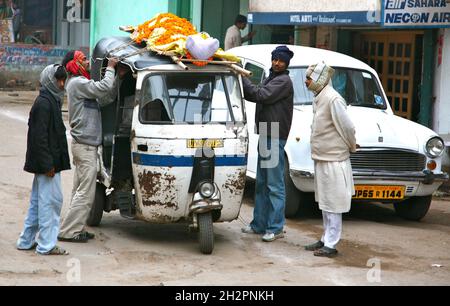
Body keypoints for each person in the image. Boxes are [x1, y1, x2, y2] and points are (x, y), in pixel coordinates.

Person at [57, 51, 119, 243]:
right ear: (75, 64)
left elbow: (105, 97)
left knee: (79, 190)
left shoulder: (82, 85)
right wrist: (110, 68)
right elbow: (103, 87)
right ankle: (69, 231)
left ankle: (73, 227)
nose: (86, 61)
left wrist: (117, 78)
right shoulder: (78, 83)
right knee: (86, 192)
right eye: (82, 59)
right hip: (84, 147)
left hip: (85, 146)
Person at [303, 62, 357, 258]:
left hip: (334, 159)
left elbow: (348, 127)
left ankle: (332, 244)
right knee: (325, 202)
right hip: (322, 158)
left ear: (319, 79)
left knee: (334, 203)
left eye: (309, 78)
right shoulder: (320, 96)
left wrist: (352, 145)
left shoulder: (333, 99)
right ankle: (326, 238)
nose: (306, 82)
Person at [241, 46, 294, 242]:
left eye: (281, 60)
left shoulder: (283, 81)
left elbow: (260, 95)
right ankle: (258, 225)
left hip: (274, 134)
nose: (277, 63)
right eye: (275, 59)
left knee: (274, 185)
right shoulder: (271, 77)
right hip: (265, 132)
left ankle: (275, 227)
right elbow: (255, 93)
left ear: (286, 63)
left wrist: (242, 77)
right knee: (262, 183)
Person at [16, 64, 71, 255]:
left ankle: (26, 241)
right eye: (58, 80)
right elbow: (39, 139)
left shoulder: (49, 101)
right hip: (48, 165)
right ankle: (46, 245)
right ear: (50, 80)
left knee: (38, 204)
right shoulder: (45, 104)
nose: (62, 84)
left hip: (47, 164)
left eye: (63, 80)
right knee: (51, 204)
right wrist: (48, 165)